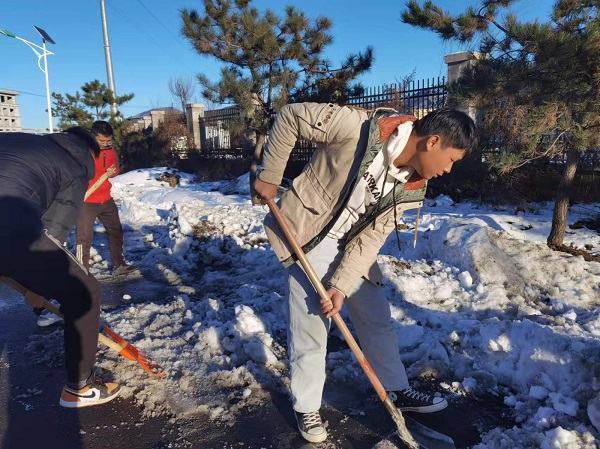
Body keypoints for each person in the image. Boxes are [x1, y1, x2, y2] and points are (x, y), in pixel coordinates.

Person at [254, 103, 479, 443]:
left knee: (375, 316)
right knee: (312, 322)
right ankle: (307, 404)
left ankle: (398, 391)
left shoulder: (413, 188)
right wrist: (270, 176)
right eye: (451, 160)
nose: (448, 170)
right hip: (308, 230)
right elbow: (289, 117)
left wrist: (342, 286)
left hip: (349, 244)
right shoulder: (357, 128)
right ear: (432, 142)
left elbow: (371, 238)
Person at [0, 127, 121, 408]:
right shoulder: (74, 166)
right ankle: (81, 387)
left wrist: (33, 284)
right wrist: (40, 283)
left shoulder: (25, 141)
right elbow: (53, 231)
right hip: (7, 225)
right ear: (90, 151)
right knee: (85, 289)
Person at [75, 120, 136, 275]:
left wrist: (113, 171)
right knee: (84, 237)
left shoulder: (110, 150)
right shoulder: (82, 151)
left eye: (108, 141)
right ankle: (81, 272)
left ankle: (119, 265)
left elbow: (114, 167)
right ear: (93, 136)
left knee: (116, 231)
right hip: (86, 201)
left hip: (105, 198)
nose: (105, 144)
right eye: (102, 141)